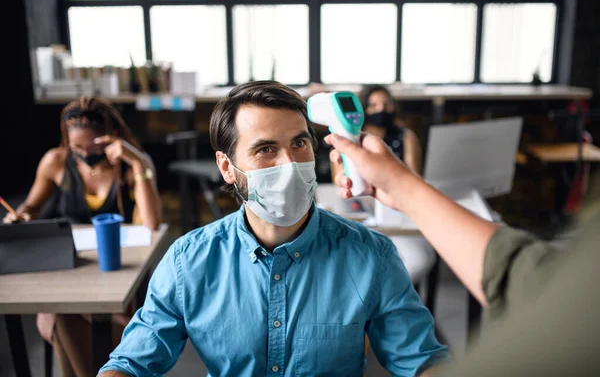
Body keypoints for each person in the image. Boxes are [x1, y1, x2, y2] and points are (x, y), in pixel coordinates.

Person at [98, 81, 448, 377]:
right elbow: (131, 363)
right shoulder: (189, 262)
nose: (290, 164)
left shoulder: (371, 255)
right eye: (266, 149)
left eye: (299, 143)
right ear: (227, 167)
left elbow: (422, 361)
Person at [326, 132, 600, 376]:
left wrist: (399, 185)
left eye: (300, 142)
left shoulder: (376, 254)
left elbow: (417, 357)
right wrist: (399, 187)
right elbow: (525, 275)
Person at [2, 97, 162, 377]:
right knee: (60, 310)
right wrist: (22, 214)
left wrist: (138, 163)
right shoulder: (56, 161)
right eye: (77, 147)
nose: (86, 153)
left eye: (95, 145)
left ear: (112, 137)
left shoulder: (128, 165)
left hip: (118, 274)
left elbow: (152, 223)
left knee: (59, 314)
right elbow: (30, 206)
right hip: (72, 268)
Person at [359, 84, 421, 173]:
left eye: (386, 104)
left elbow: (414, 175)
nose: (381, 109)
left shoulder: (406, 136)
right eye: (373, 105)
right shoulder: (354, 138)